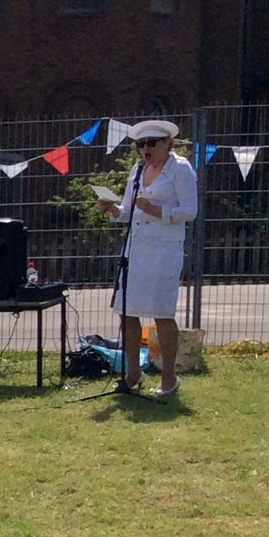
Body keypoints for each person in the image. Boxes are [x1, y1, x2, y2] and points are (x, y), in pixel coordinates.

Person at [106, 118, 198, 396]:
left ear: (168, 143)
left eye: (152, 143)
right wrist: (112, 209)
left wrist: (157, 211)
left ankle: (169, 378)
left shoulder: (180, 169)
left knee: (161, 313)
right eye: (140, 144)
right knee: (128, 312)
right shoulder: (137, 169)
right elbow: (128, 211)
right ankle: (133, 373)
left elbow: (190, 211)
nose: (146, 149)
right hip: (135, 250)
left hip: (163, 252)